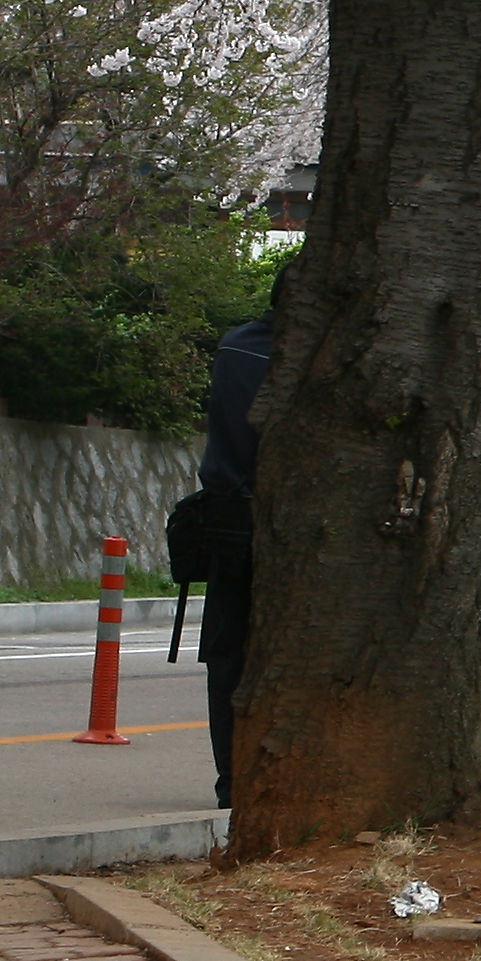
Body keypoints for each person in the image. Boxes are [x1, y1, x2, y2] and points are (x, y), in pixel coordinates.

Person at [192, 299, 278, 810]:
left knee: (228, 655)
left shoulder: (235, 346)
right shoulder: (309, 358)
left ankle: (231, 781)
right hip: (279, 524)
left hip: (224, 519)